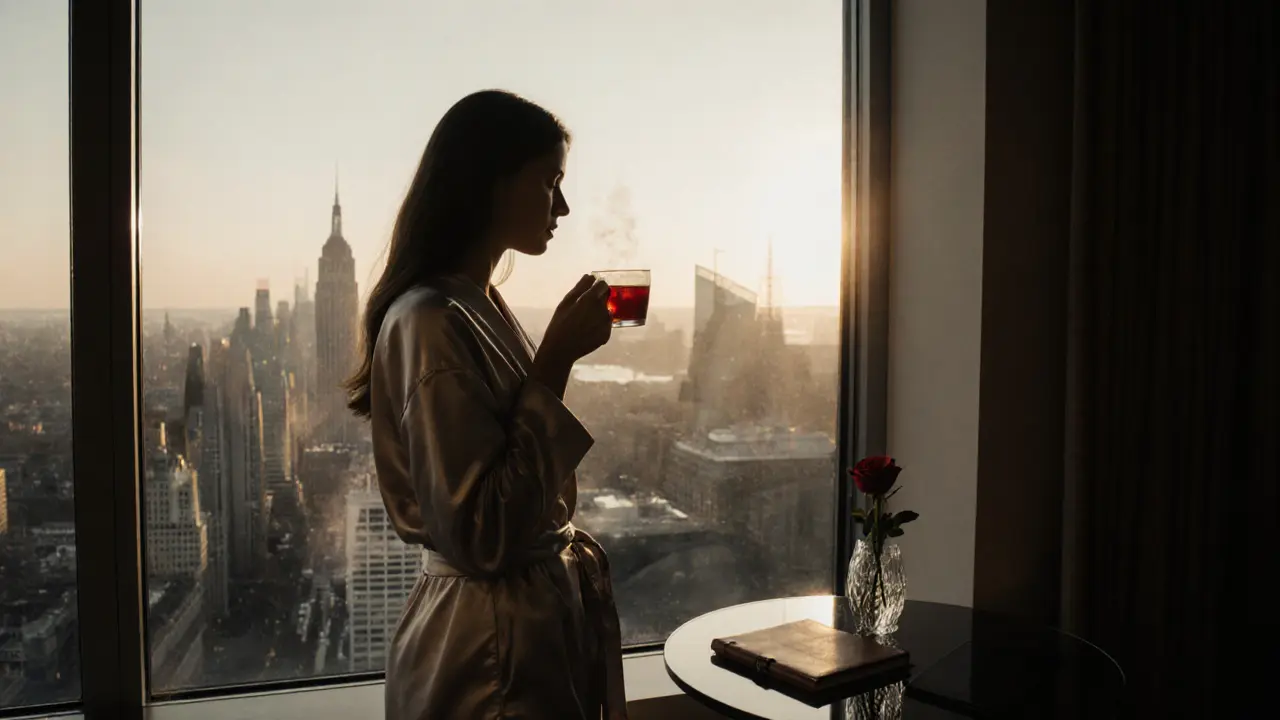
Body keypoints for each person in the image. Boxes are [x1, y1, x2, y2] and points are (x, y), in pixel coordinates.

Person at [345, 90, 627, 720]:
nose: (564, 206)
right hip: (489, 659)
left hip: (521, 636)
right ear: (492, 184)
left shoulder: (476, 304)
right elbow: (480, 533)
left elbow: (526, 489)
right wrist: (554, 362)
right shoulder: (430, 322)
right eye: (550, 182)